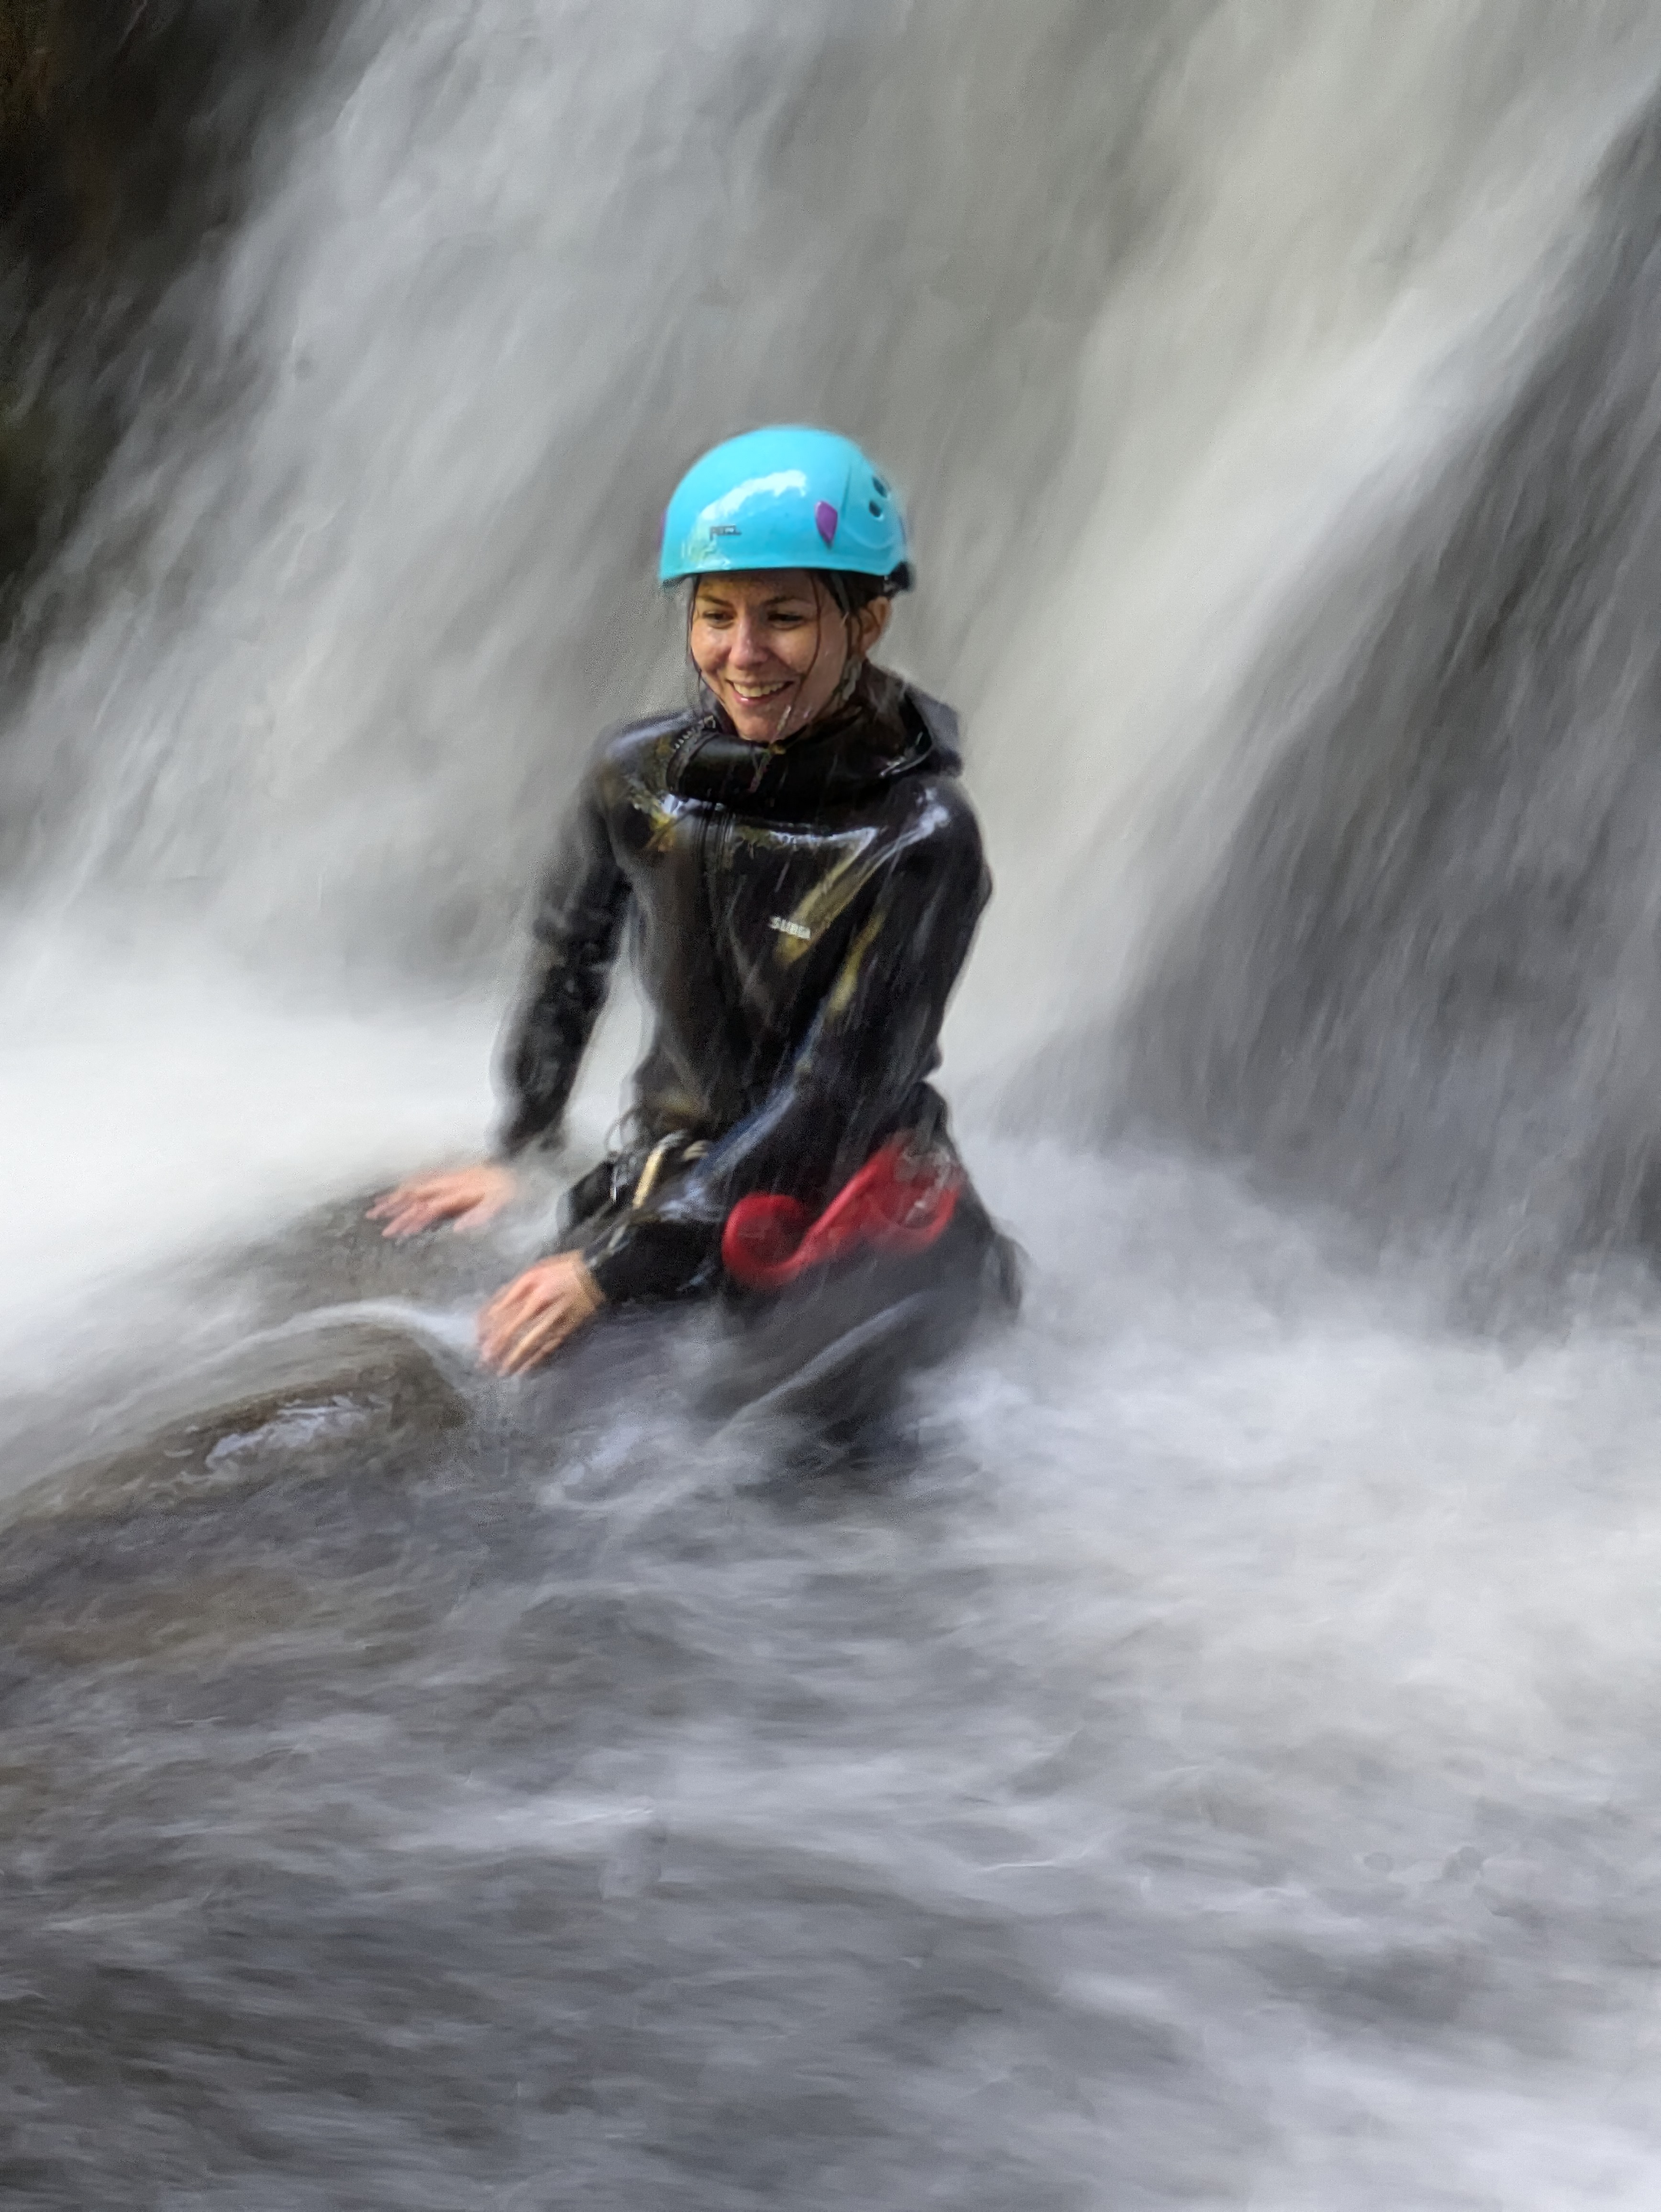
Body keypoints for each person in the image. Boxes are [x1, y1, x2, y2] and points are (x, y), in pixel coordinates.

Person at [372, 425, 1015, 1432]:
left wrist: (612, 1267)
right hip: (674, 1177)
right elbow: (567, 953)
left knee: (779, 1446)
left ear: (869, 618)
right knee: (549, 1423)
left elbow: (839, 1090)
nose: (742, 653)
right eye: (715, 615)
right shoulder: (637, 779)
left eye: (784, 617)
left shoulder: (921, 836)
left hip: (858, 1201)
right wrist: (522, 1141)